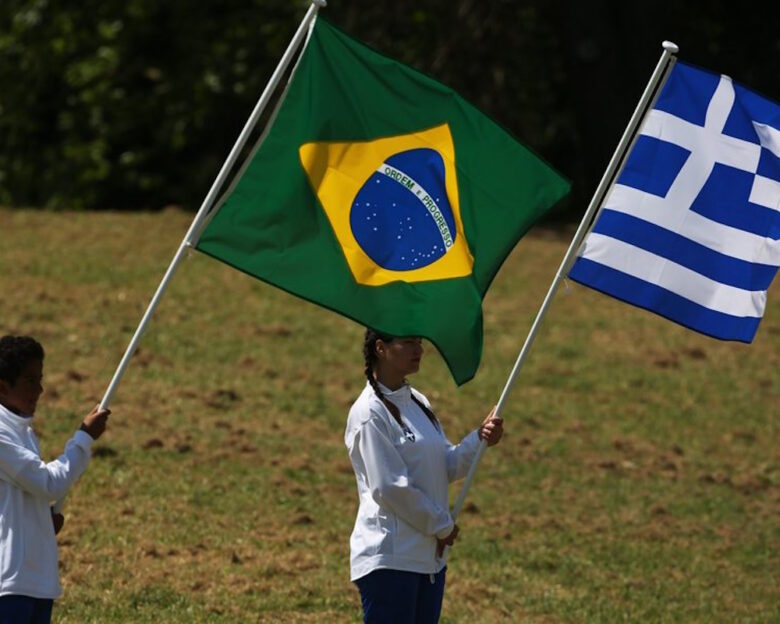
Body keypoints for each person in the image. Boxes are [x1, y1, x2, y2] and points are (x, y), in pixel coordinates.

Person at [345, 328, 503, 623]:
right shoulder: (369, 413)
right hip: (390, 560)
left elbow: (446, 465)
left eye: (419, 342)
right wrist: (442, 526)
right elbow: (389, 487)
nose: (419, 350)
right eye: (407, 343)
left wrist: (480, 439)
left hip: (427, 560)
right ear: (380, 348)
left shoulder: (417, 401)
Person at [0, 335, 109, 624]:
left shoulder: (22, 431)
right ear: (2, 386)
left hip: (34, 581)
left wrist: (40, 523)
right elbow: (48, 483)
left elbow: (20, 496)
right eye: (29, 381)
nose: (40, 389)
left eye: (40, 378)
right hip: (9, 585)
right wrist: (83, 438)